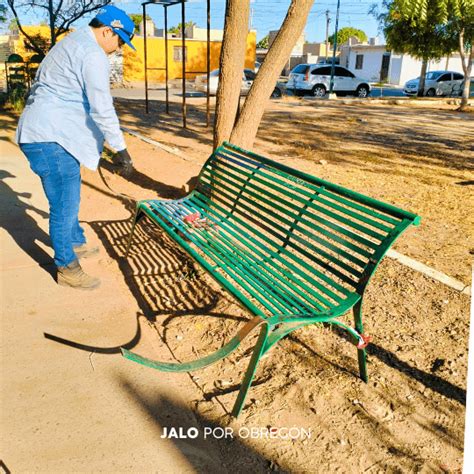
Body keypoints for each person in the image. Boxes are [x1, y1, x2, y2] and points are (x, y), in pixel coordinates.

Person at [16, 6, 136, 290]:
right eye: (119, 41)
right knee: (64, 205)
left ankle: (74, 240)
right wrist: (121, 150)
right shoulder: (92, 54)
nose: (117, 49)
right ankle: (67, 266)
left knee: (69, 196)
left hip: (49, 133)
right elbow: (101, 106)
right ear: (108, 31)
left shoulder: (72, 41)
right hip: (50, 137)